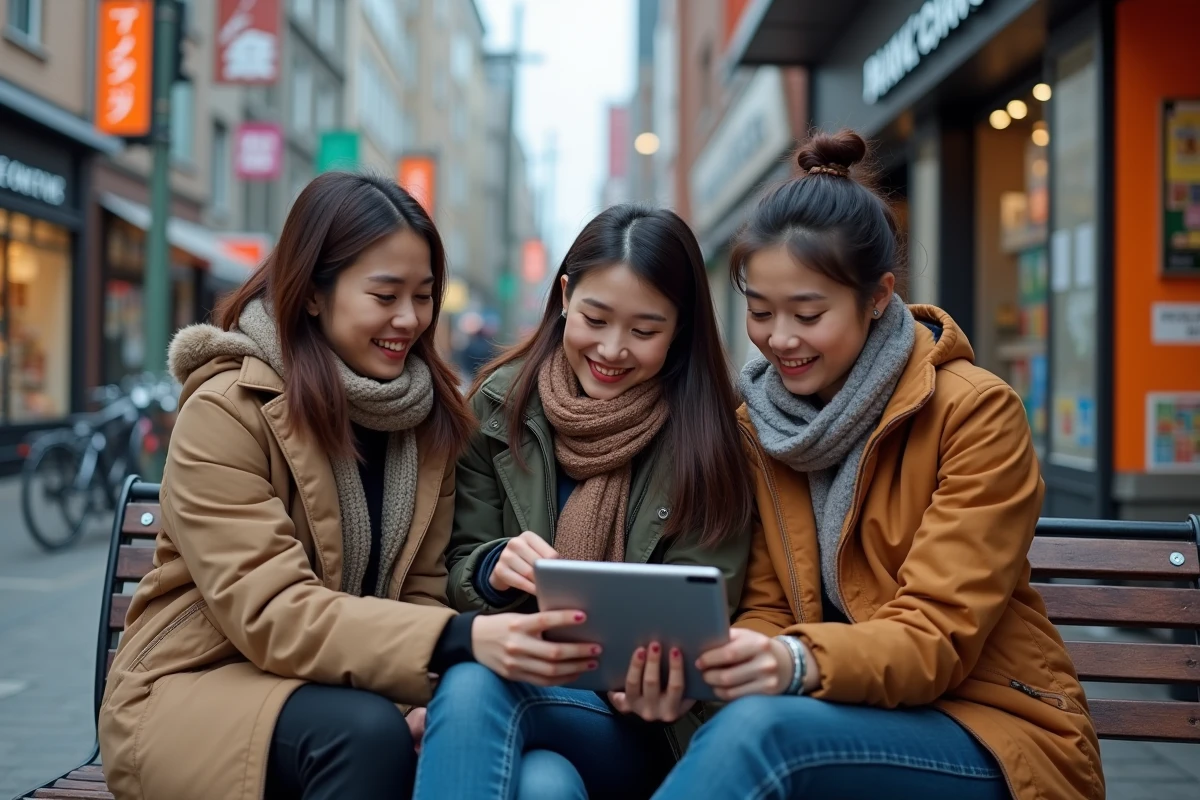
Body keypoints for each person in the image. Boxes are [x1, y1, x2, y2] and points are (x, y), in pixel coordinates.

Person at [95, 172, 579, 800]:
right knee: (364, 734)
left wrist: (420, 693)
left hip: (348, 693)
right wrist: (458, 641)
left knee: (504, 766)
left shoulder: (426, 420)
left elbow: (422, 590)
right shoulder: (227, 408)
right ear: (315, 292)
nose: (408, 319)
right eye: (385, 295)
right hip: (194, 691)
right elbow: (272, 611)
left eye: (425, 295)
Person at [652, 131, 1104, 800]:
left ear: (878, 296)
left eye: (808, 313)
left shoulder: (975, 412)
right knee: (747, 726)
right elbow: (768, 609)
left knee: (760, 737)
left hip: (996, 734)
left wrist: (793, 662)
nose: (780, 338)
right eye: (759, 311)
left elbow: (935, 638)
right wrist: (731, 659)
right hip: (835, 716)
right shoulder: (759, 427)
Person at [413, 204, 755, 800]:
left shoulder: (710, 437)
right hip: (525, 690)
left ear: (680, 330)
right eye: (596, 318)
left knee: (474, 682)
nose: (613, 349)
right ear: (565, 295)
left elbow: (707, 603)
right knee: (544, 787)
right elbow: (453, 567)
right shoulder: (499, 408)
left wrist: (668, 675)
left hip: (648, 726)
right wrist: (493, 570)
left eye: (645, 331)